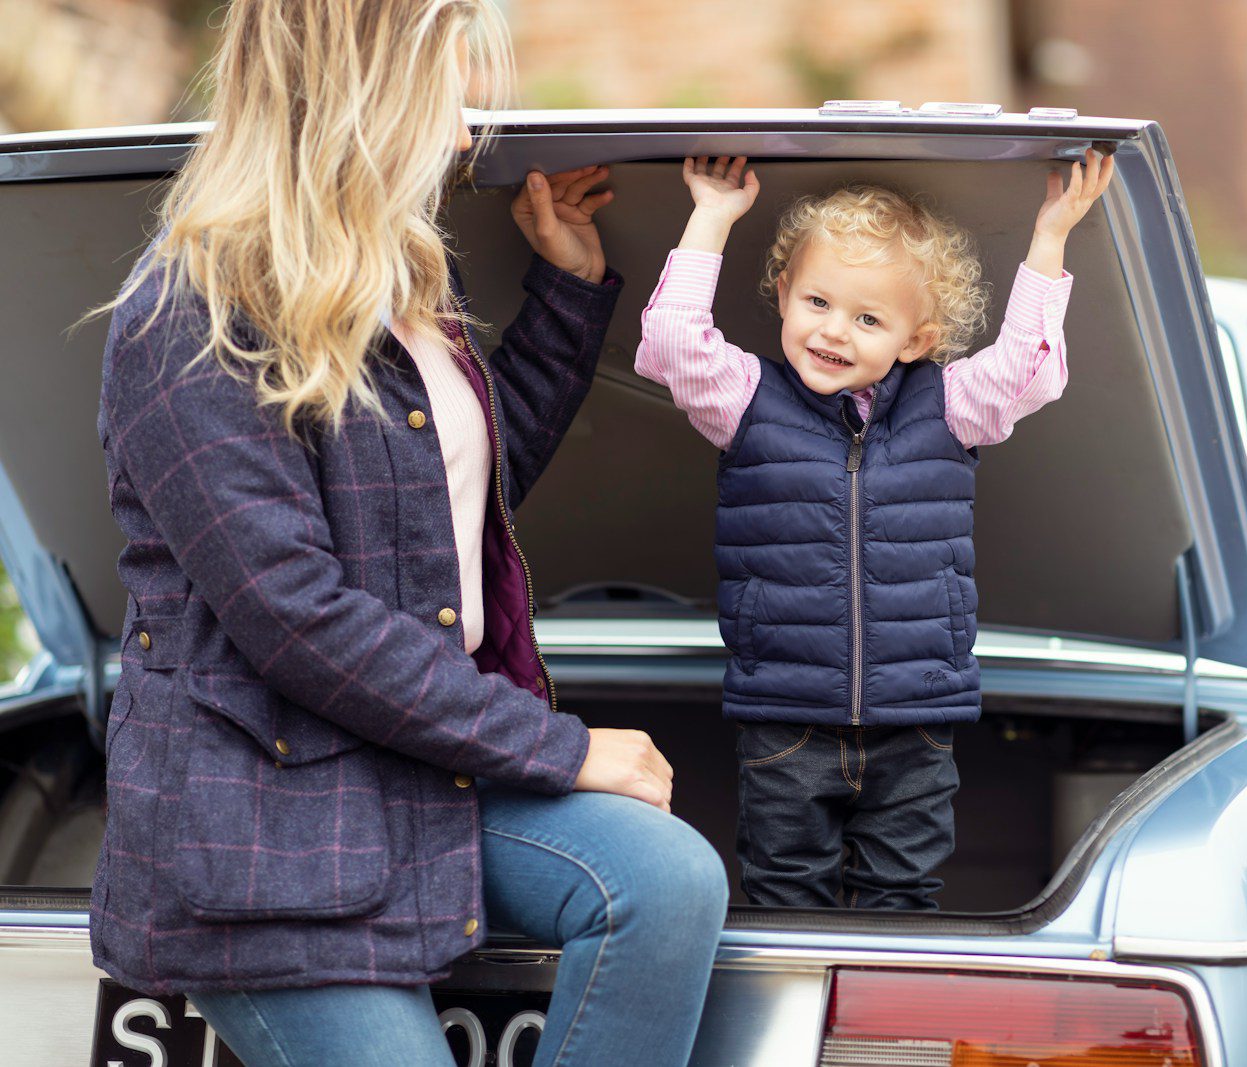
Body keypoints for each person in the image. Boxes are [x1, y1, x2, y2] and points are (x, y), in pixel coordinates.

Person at [85, 2, 726, 1064]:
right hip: (268, 827)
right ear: (364, 92)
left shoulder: (402, 273)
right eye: (449, 88)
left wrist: (568, 288)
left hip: (420, 768)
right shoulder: (186, 314)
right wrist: (566, 750)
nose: (470, 131)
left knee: (668, 879)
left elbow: (448, 497)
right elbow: (297, 618)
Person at [635, 152, 1114, 910]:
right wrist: (713, 216)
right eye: (817, 301)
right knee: (784, 894)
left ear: (916, 340)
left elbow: (1032, 368)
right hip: (786, 717)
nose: (833, 331)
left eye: (867, 318)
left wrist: (1050, 237)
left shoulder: (952, 404)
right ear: (785, 295)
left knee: (901, 896)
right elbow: (671, 343)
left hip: (915, 721)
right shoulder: (746, 398)